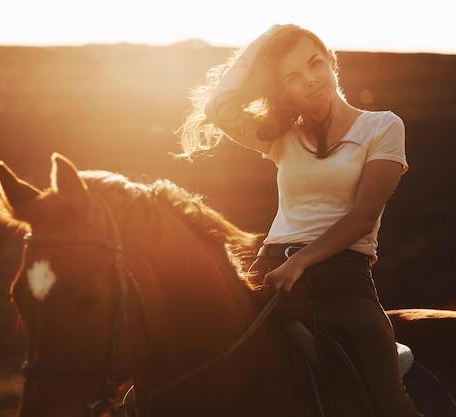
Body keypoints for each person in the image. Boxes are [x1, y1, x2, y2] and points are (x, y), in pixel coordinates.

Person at [178, 24, 421, 417]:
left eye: (315, 63)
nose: (309, 81)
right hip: (270, 275)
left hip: (342, 283)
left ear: (332, 63)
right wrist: (269, 38)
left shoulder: (383, 126)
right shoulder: (281, 137)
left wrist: (301, 261)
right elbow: (217, 106)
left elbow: (362, 218)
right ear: (282, 91)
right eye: (291, 77)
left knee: (391, 405)